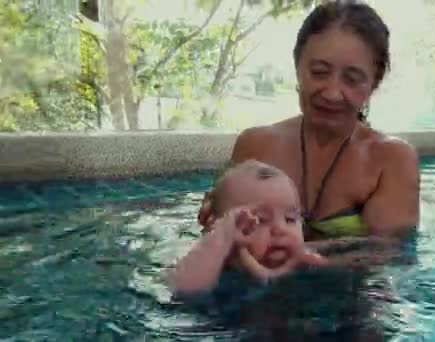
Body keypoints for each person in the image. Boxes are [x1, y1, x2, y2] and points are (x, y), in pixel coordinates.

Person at [199, 1, 420, 240]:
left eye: (352, 79)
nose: (332, 93)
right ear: (297, 67)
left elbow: (387, 253)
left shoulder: (391, 160)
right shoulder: (254, 146)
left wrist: (293, 252)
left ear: (373, 85)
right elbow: (219, 231)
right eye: (319, 72)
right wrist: (215, 222)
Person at [169, 160, 328, 296]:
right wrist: (221, 236)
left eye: (290, 219)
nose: (280, 229)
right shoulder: (209, 265)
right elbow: (185, 292)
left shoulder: (305, 262)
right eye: (259, 220)